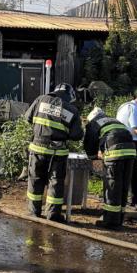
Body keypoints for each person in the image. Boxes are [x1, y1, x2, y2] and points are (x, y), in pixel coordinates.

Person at [23, 82, 83, 222]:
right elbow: (77, 135)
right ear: (70, 95)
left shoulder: (40, 99)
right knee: (56, 182)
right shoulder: (72, 110)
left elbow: (27, 118)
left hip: (37, 148)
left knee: (35, 180)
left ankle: (34, 212)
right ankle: (53, 215)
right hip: (58, 152)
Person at [83, 107, 137, 228]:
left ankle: (110, 221)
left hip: (115, 153)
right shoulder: (113, 120)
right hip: (131, 152)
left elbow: (90, 143)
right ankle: (120, 218)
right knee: (123, 185)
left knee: (113, 186)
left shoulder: (93, 123)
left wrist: (93, 158)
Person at [116, 93, 137, 205]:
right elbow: (136, 129)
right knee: (134, 173)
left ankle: (122, 197)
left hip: (119, 141)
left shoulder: (124, 106)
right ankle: (136, 198)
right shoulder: (134, 108)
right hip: (130, 143)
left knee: (124, 172)